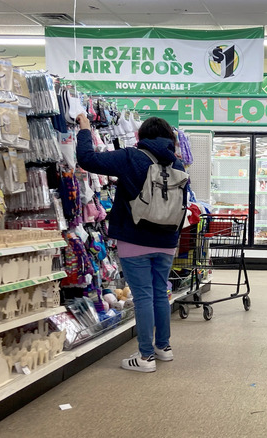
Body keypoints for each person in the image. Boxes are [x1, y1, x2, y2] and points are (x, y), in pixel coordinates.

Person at [76, 114, 186, 373]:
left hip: (135, 237)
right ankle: (163, 348)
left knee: (144, 294)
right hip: (167, 238)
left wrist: (84, 129)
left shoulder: (131, 157)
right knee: (160, 292)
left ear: (139, 136)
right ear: (169, 138)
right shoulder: (177, 163)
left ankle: (145, 357)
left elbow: (87, 159)